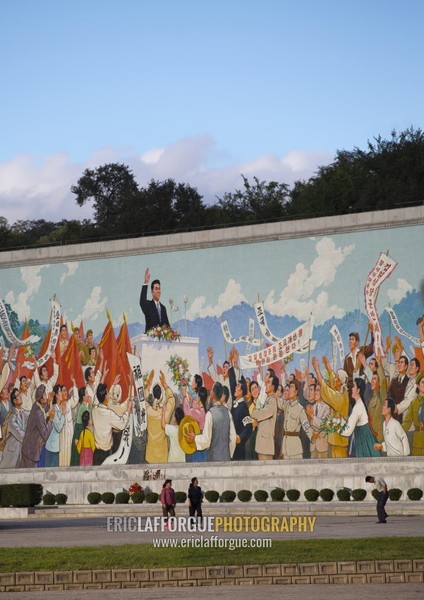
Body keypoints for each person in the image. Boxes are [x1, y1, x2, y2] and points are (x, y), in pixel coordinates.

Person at [184, 381, 236, 461]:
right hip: (226, 458)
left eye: (211, 390)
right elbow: (233, 438)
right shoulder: (228, 412)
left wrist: (194, 437)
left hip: (213, 459)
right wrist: (229, 454)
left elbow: (206, 440)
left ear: (212, 394)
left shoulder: (210, 414)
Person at [340, 378, 380, 457]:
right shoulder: (359, 404)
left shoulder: (358, 407)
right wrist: (342, 420)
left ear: (358, 390)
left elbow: (348, 431)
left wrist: (337, 426)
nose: (351, 389)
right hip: (363, 439)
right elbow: (351, 422)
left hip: (363, 441)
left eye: (353, 386)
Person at [251, 374, 278, 460]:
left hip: (266, 444)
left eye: (268, 382)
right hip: (263, 444)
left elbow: (259, 414)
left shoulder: (272, 401)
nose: (266, 383)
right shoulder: (267, 400)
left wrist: (255, 411)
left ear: (273, 387)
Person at [140, 268, 170, 333]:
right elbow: (142, 301)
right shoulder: (148, 305)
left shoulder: (163, 308)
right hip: (149, 341)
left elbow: (167, 327)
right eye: (156, 289)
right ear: (152, 292)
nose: (158, 291)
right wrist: (146, 282)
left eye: (159, 289)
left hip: (162, 342)